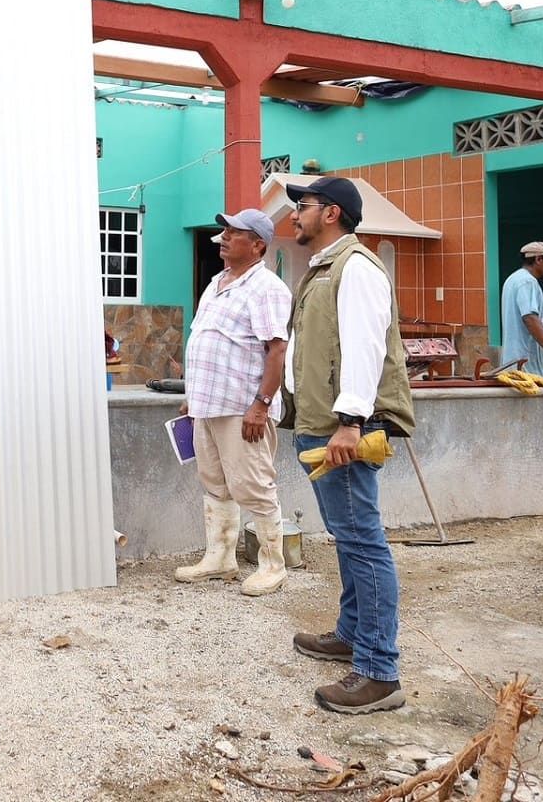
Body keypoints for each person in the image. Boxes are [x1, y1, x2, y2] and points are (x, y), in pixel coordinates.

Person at [280, 176, 416, 714]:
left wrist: (350, 421)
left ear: (331, 213)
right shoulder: (325, 269)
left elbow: (363, 348)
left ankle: (380, 671)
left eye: (304, 206)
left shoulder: (356, 268)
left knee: (362, 539)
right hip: (322, 421)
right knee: (348, 535)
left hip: (343, 426)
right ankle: (351, 634)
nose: (295, 215)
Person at [173, 208, 294, 597]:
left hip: (243, 409)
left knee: (253, 484)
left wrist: (261, 405)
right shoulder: (217, 283)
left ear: (257, 244)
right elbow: (208, 342)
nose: (223, 237)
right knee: (215, 483)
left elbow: (276, 350)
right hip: (208, 404)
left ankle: (273, 566)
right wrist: (193, 397)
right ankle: (219, 558)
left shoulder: (267, 288)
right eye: (224, 231)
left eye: (234, 232)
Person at [500, 242, 543, 376]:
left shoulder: (514, 279)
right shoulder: (527, 282)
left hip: (515, 366)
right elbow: (529, 318)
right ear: (538, 259)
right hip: (527, 368)